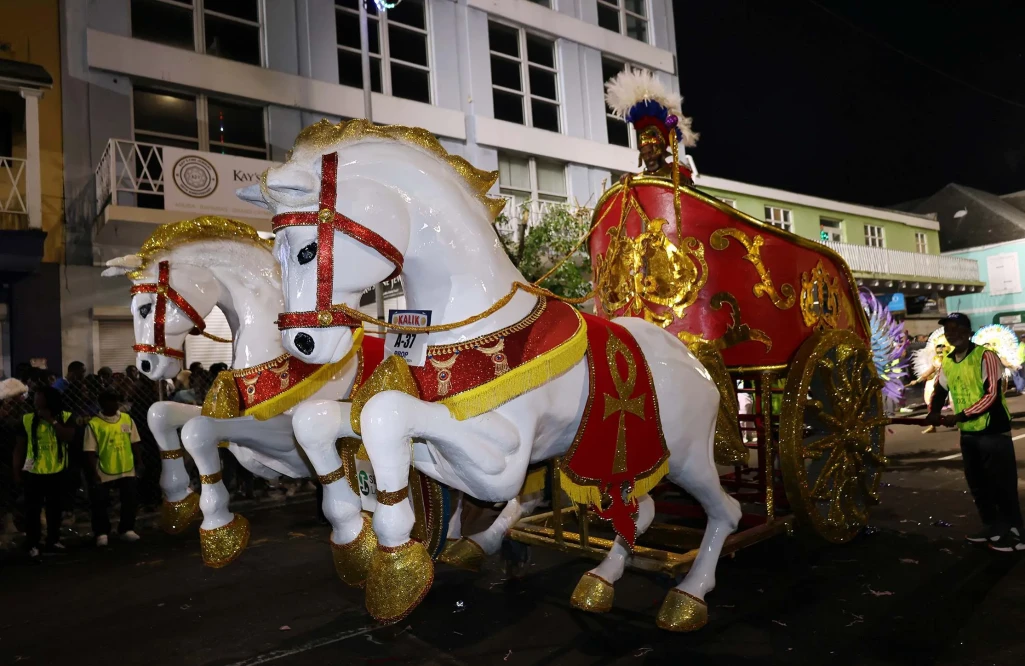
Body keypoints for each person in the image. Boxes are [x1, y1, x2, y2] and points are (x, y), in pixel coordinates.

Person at [926, 313, 1024, 552]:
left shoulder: (986, 356)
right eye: (948, 330)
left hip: (993, 432)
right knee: (979, 485)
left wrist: (959, 416)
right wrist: (933, 412)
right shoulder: (948, 360)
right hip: (969, 433)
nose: (953, 333)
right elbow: (939, 389)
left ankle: (1016, 535)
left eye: (958, 328)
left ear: (968, 331)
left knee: (1002, 485)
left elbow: (990, 395)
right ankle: (992, 526)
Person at [13, 386, 76, 557]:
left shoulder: (65, 417)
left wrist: (52, 421)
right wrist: (17, 472)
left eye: (39, 397)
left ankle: (53, 540)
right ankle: (33, 543)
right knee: (32, 511)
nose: (35, 401)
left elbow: (68, 437)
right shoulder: (27, 419)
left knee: (54, 509)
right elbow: (19, 448)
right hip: (34, 472)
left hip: (58, 471)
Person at [84, 390, 142, 546]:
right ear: (102, 404)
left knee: (129, 499)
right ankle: (101, 533)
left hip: (126, 467)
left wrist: (139, 462)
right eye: (110, 401)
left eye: (116, 401)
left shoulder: (127, 419)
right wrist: (94, 472)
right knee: (100, 502)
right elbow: (89, 451)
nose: (114, 405)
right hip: (104, 469)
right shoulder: (94, 424)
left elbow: (134, 442)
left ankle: (126, 529)